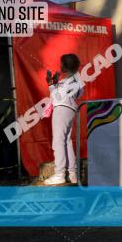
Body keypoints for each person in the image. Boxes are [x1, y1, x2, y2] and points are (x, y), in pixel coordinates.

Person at [44, 53, 83, 186]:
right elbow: (77, 93)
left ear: (65, 66)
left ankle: (60, 174)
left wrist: (51, 85)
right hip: (71, 110)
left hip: (62, 109)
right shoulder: (77, 80)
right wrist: (56, 83)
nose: (59, 66)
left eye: (62, 64)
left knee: (58, 142)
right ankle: (73, 174)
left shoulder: (68, 81)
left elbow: (58, 98)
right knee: (66, 141)